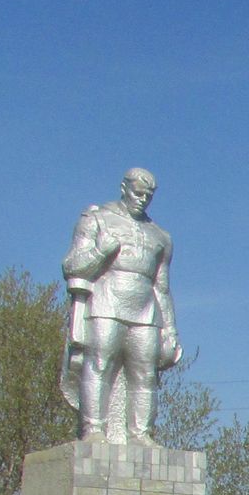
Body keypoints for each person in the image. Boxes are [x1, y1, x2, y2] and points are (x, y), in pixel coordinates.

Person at [60, 167, 180, 444]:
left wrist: (171, 329)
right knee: (99, 363)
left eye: (148, 196)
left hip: (145, 310)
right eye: (138, 193)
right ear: (124, 188)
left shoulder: (161, 236)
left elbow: (161, 286)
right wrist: (101, 250)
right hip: (106, 302)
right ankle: (93, 430)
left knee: (145, 373)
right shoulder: (97, 219)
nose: (142, 200)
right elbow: (72, 266)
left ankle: (141, 434)